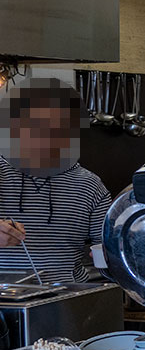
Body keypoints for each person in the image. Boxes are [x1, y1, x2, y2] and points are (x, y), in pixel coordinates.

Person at [0, 79, 111, 283]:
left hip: (65, 303)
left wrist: (114, 254)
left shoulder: (90, 186)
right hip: (6, 305)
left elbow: (108, 249)